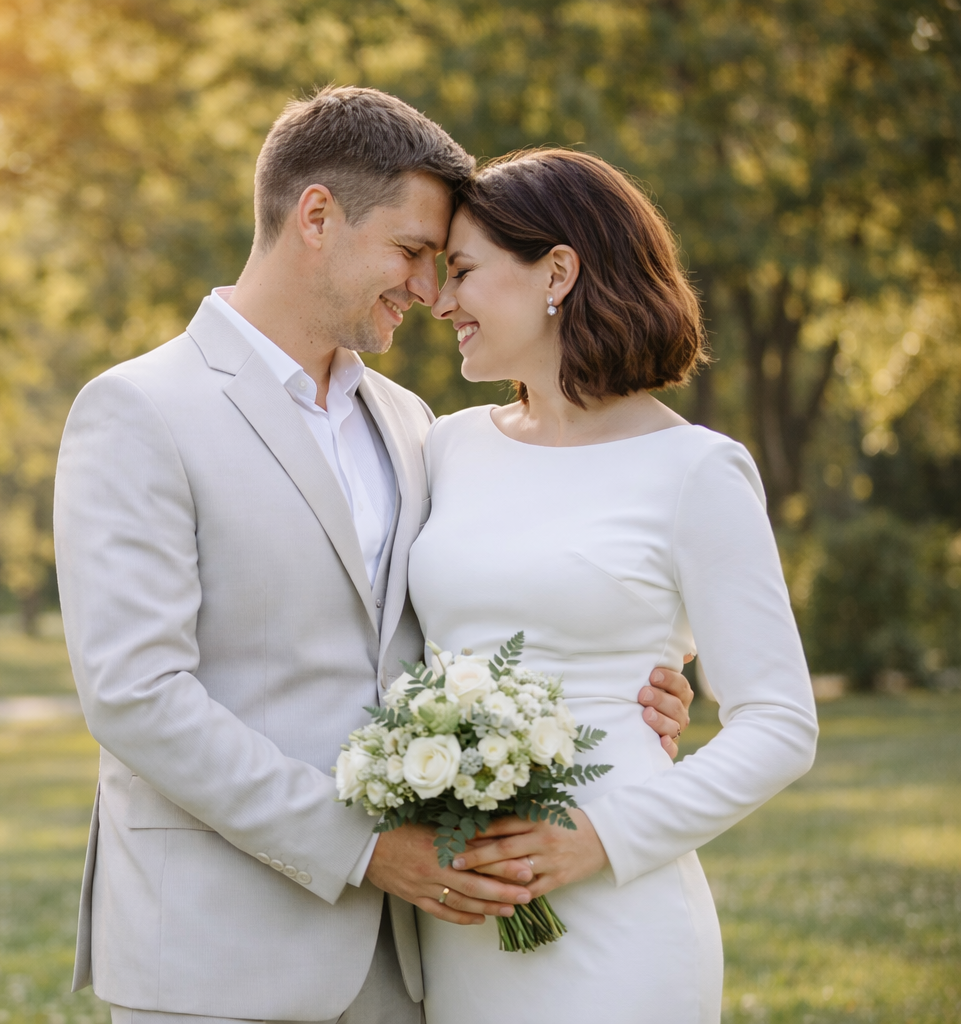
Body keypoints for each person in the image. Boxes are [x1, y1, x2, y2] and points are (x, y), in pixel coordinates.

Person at [53, 89, 696, 1024]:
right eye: (411, 252)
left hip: (405, 959)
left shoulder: (412, 423)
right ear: (317, 216)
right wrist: (362, 847)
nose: (430, 291)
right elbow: (135, 695)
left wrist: (623, 693)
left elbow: (466, 621)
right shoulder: (139, 410)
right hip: (214, 953)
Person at [410, 148, 819, 1023]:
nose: (440, 302)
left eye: (463, 272)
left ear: (557, 272)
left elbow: (781, 724)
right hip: (460, 913)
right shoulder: (445, 446)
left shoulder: (696, 470)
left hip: (617, 913)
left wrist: (598, 838)